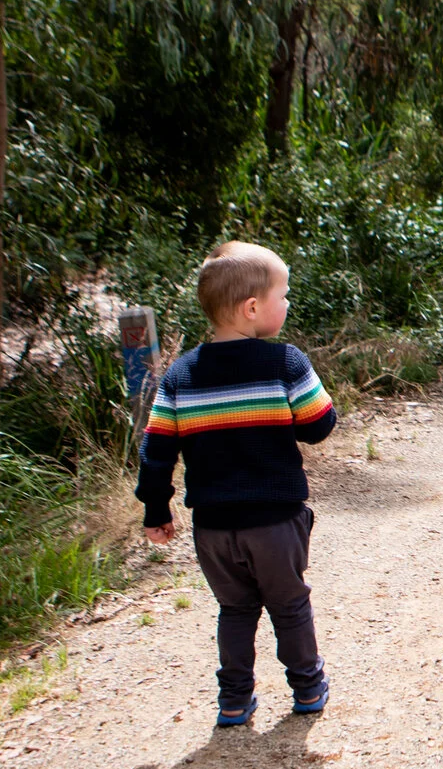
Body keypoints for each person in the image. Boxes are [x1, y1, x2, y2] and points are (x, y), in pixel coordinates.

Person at [136, 241, 337, 728]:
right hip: (274, 523)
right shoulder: (285, 363)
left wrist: (156, 511)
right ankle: (307, 689)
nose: (288, 304)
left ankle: (233, 700)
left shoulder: (180, 376)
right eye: (282, 295)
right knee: (289, 606)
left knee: (235, 609)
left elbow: (156, 451)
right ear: (252, 308)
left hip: (213, 530)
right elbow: (319, 425)